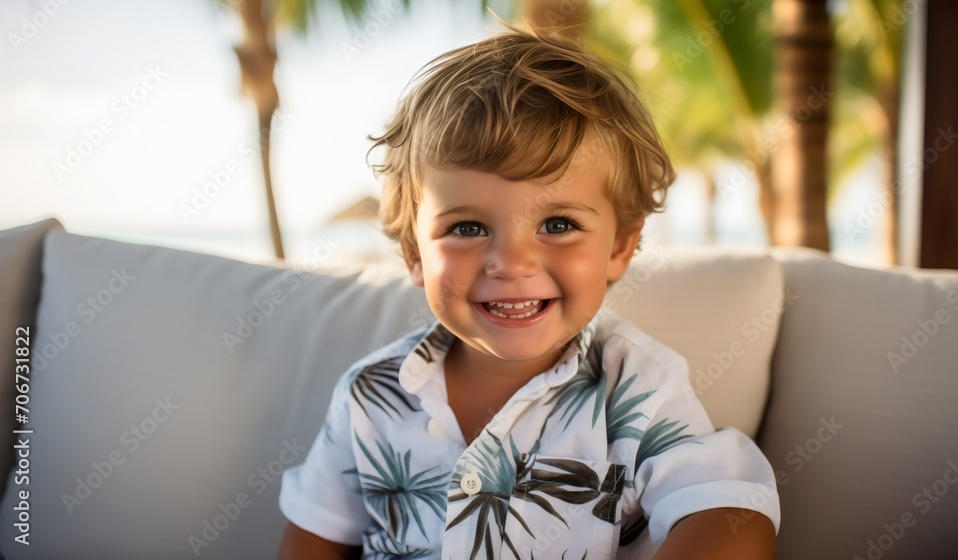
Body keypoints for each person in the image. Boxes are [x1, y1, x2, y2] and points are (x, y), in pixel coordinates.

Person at [277, 25, 779, 560]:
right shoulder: (368, 396)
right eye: (468, 228)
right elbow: (315, 538)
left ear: (619, 247)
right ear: (415, 254)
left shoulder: (636, 388)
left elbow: (730, 514)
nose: (512, 263)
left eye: (558, 224)